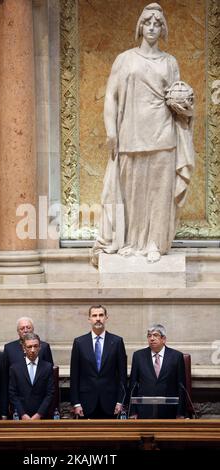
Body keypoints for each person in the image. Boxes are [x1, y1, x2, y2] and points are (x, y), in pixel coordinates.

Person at [92, 2, 194, 265]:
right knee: (131, 192)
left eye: (157, 24)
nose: (151, 27)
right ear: (139, 26)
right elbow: (110, 97)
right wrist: (111, 131)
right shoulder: (125, 59)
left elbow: (177, 96)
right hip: (130, 134)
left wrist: (186, 103)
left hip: (162, 135)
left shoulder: (170, 62)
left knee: (159, 193)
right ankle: (128, 241)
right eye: (147, 22)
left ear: (163, 30)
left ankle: (154, 243)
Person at [70, 305, 127, 419]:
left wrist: (120, 401)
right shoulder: (79, 342)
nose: (98, 318)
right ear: (89, 319)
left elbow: (122, 376)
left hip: (111, 403)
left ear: (106, 318)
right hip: (85, 403)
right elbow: (75, 375)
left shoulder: (117, 342)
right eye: (94, 315)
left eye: (101, 315)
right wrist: (76, 403)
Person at [129, 324, 186, 419]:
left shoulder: (176, 357)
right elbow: (133, 384)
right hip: (144, 410)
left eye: (155, 335)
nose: (151, 338)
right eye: (149, 336)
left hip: (169, 411)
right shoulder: (138, 356)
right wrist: (132, 411)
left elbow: (181, 387)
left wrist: (180, 413)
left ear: (163, 339)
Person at [9, 333, 54, 420]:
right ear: (24, 348)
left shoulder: (47, 367)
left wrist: (39, 414)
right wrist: (22, 414)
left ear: (39, 347)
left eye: (35, 346)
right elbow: (13, 394)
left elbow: (50, 393)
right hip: (21, 416)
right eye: (29, 347)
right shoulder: (15, 368)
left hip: (42, 416)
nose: (33, 350)